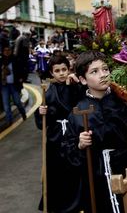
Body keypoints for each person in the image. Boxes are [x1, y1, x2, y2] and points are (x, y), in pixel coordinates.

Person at [62, 50, 127, 212]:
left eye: (105, 69)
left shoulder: (124, 101)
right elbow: (67, 149)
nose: (103, 75)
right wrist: (80, 144)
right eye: (94, 72)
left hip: (126, 168)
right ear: (82, 79)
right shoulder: (78, 112)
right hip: (97, 175)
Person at [35, 54, 83, 212]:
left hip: (72, 133)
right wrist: (41, 112)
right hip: (55, 137)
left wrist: (75, 86)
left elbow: (81, 103)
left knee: (74, 169)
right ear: (51, 73)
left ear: (69, 69)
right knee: (56, 171)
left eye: (64, 69)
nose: (61, 73)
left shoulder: (75, 86)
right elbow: (42, 123)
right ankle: (56, 203)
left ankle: (76, 202)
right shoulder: (47, 92)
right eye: (57, 70)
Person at [0, 46, 27, 126]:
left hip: (14, 85)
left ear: (11, 51)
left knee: (17, 102)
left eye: (8, 50)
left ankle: (23, 113)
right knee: (6, 105)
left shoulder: (15, 59)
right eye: (5, 50)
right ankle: (9, 121)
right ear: (3, 51)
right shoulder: (1, 61)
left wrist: (22, 78)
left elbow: (23, 69)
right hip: (4, 85)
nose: (7, 52)